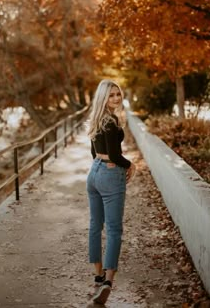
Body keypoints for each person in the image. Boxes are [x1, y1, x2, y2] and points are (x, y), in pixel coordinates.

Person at [86, 79, 136, 305]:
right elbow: (115, 156)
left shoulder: (97, 119)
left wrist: (102, 163)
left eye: (118, 94)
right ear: (103, 97)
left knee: (96, 225)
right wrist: (130, 165)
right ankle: (107, 282)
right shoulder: (111, 120)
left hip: (94, 173)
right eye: (111, 95)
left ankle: (97, 276)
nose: (116, 98)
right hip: (109, 174)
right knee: (114, 229)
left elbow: (93, 151)